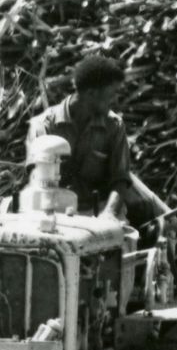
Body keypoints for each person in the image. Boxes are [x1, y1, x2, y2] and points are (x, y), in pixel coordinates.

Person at [32, 53, 166, 235]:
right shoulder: (47, 125)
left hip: (99, 210)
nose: (115, 100)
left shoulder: (114, 126)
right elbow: (40, 180)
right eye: (111, 94)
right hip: (55, 210)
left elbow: (120, 179)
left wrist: (109, 214)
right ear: (91, 94)